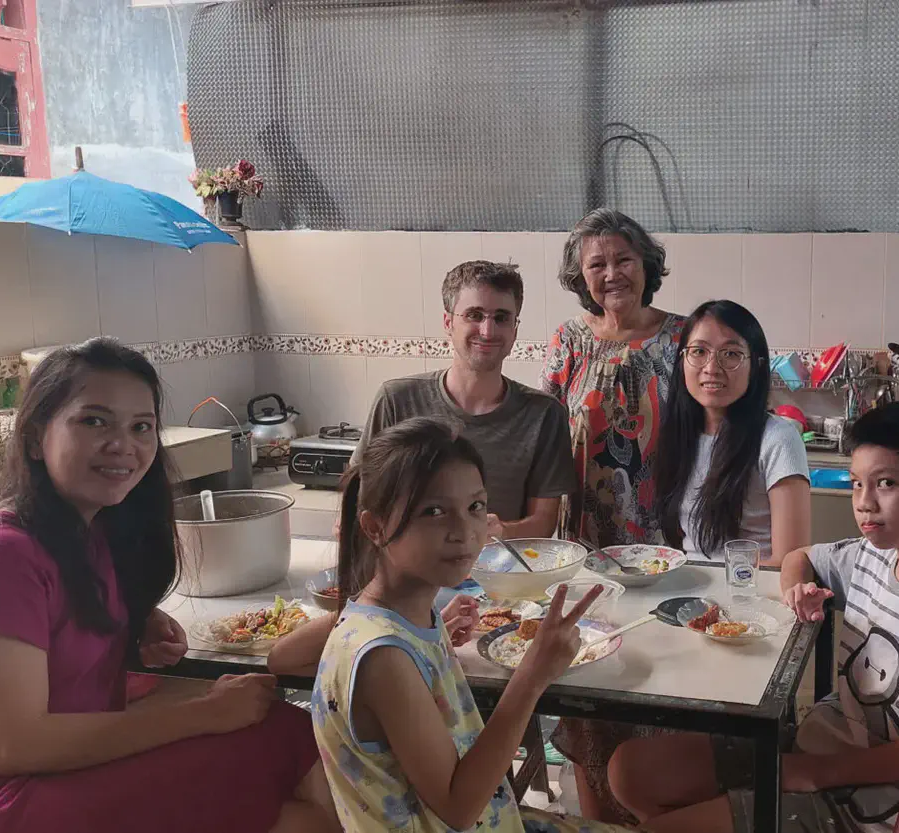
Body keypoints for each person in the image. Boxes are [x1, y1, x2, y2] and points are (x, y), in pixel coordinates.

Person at [0, 338, 336, 833]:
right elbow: (13, 744)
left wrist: (131, 621)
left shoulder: (85, 531)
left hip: (66, 768)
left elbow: (56, 636)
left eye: (141, 427)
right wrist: (204, 713)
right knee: (293, 802)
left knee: (287, 731)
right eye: (93, 421)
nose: (123, 444)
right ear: (33, 437)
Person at [608, 401, 899, 833]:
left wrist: (819, 773)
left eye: (886, 483)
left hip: (879, 794)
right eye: (855, 485)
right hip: (818, 744)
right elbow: (799, 557)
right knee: (630, 772)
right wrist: (798, 588)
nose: (864, 504)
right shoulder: (869, 555)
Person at [312, 417, 635, 833]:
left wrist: (437, 634)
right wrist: (532, 676)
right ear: (375, 527)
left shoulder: (402, 620)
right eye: (433, 511)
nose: (464, 531)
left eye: (475, 507)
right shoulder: (384, 658)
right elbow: (457, 807)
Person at [540, 207, 685, 822]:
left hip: (664, 542)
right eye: (596, 264)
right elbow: (544, 434)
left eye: (623, 259)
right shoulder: (568, 341)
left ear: (647, 264)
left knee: (658, 677)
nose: (611, 273)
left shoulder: (683, 337)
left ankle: (656, 808)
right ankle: (597, 816)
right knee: (587, 679)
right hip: (585, 543)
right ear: (580, 275)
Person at [352, 260, 575, 543]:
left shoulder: (544, 415)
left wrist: (501, 530)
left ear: (515, 330)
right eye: (474, 315)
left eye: (502, 318)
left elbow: (543, 521)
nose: (488, 331)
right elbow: (359, 498)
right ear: (448, 323)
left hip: (500, 578)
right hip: (411, 577)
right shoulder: (396, 400)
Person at [655, 300, 810, 565]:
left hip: (753, 595)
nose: (712, 368)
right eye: (699, 351)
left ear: (757, 365)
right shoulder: (680, 435)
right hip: (692, 591)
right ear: (682, 360)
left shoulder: (777, 439)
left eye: (731, 354)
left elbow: (791, 561)